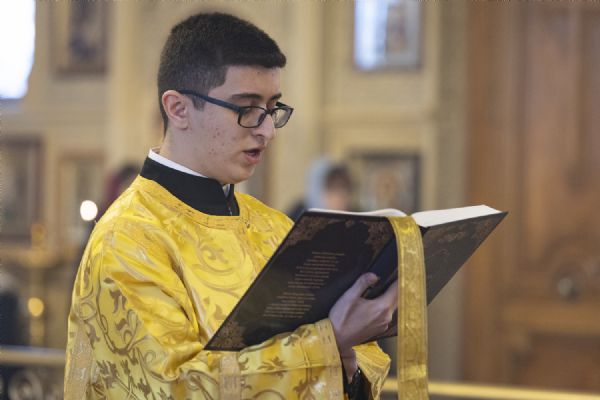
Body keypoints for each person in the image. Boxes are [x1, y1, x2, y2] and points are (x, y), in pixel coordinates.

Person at [65, 12, 397, 399]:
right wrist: (326, 343)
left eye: (272, 108)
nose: (267, 130)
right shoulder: (127, 240)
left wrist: (345, 355)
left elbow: (348, 361)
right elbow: (172, 389)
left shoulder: (274, 226)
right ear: (178, 108)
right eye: (246, 109)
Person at [287, 158, 355, 221]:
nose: (340, 199)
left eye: (345, 191)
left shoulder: (353, 219)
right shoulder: (294, 219)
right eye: (333, 191)